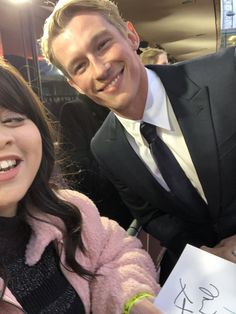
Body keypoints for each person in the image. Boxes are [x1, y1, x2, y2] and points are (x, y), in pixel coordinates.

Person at [40, 0, 236, 284]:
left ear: (131, 36)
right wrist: (207, 254)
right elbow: (153, 216)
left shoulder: (226, 75)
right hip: (207, 276)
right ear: (74, 85)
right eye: (80, 66)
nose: (100, 69)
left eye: (103, 44)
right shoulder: (105, 147)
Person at [0, 58, 163, 314]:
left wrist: (131, 300)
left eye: (12, 119)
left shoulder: (68, 211)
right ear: (72, 81)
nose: (2, 138)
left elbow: (114, 252)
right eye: (79, 65)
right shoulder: (79, 115)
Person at [59, 95, 133, 229]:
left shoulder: (122, 109)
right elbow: (77, 167)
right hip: (106, 209)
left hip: (134, 204)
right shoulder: (74, 110)